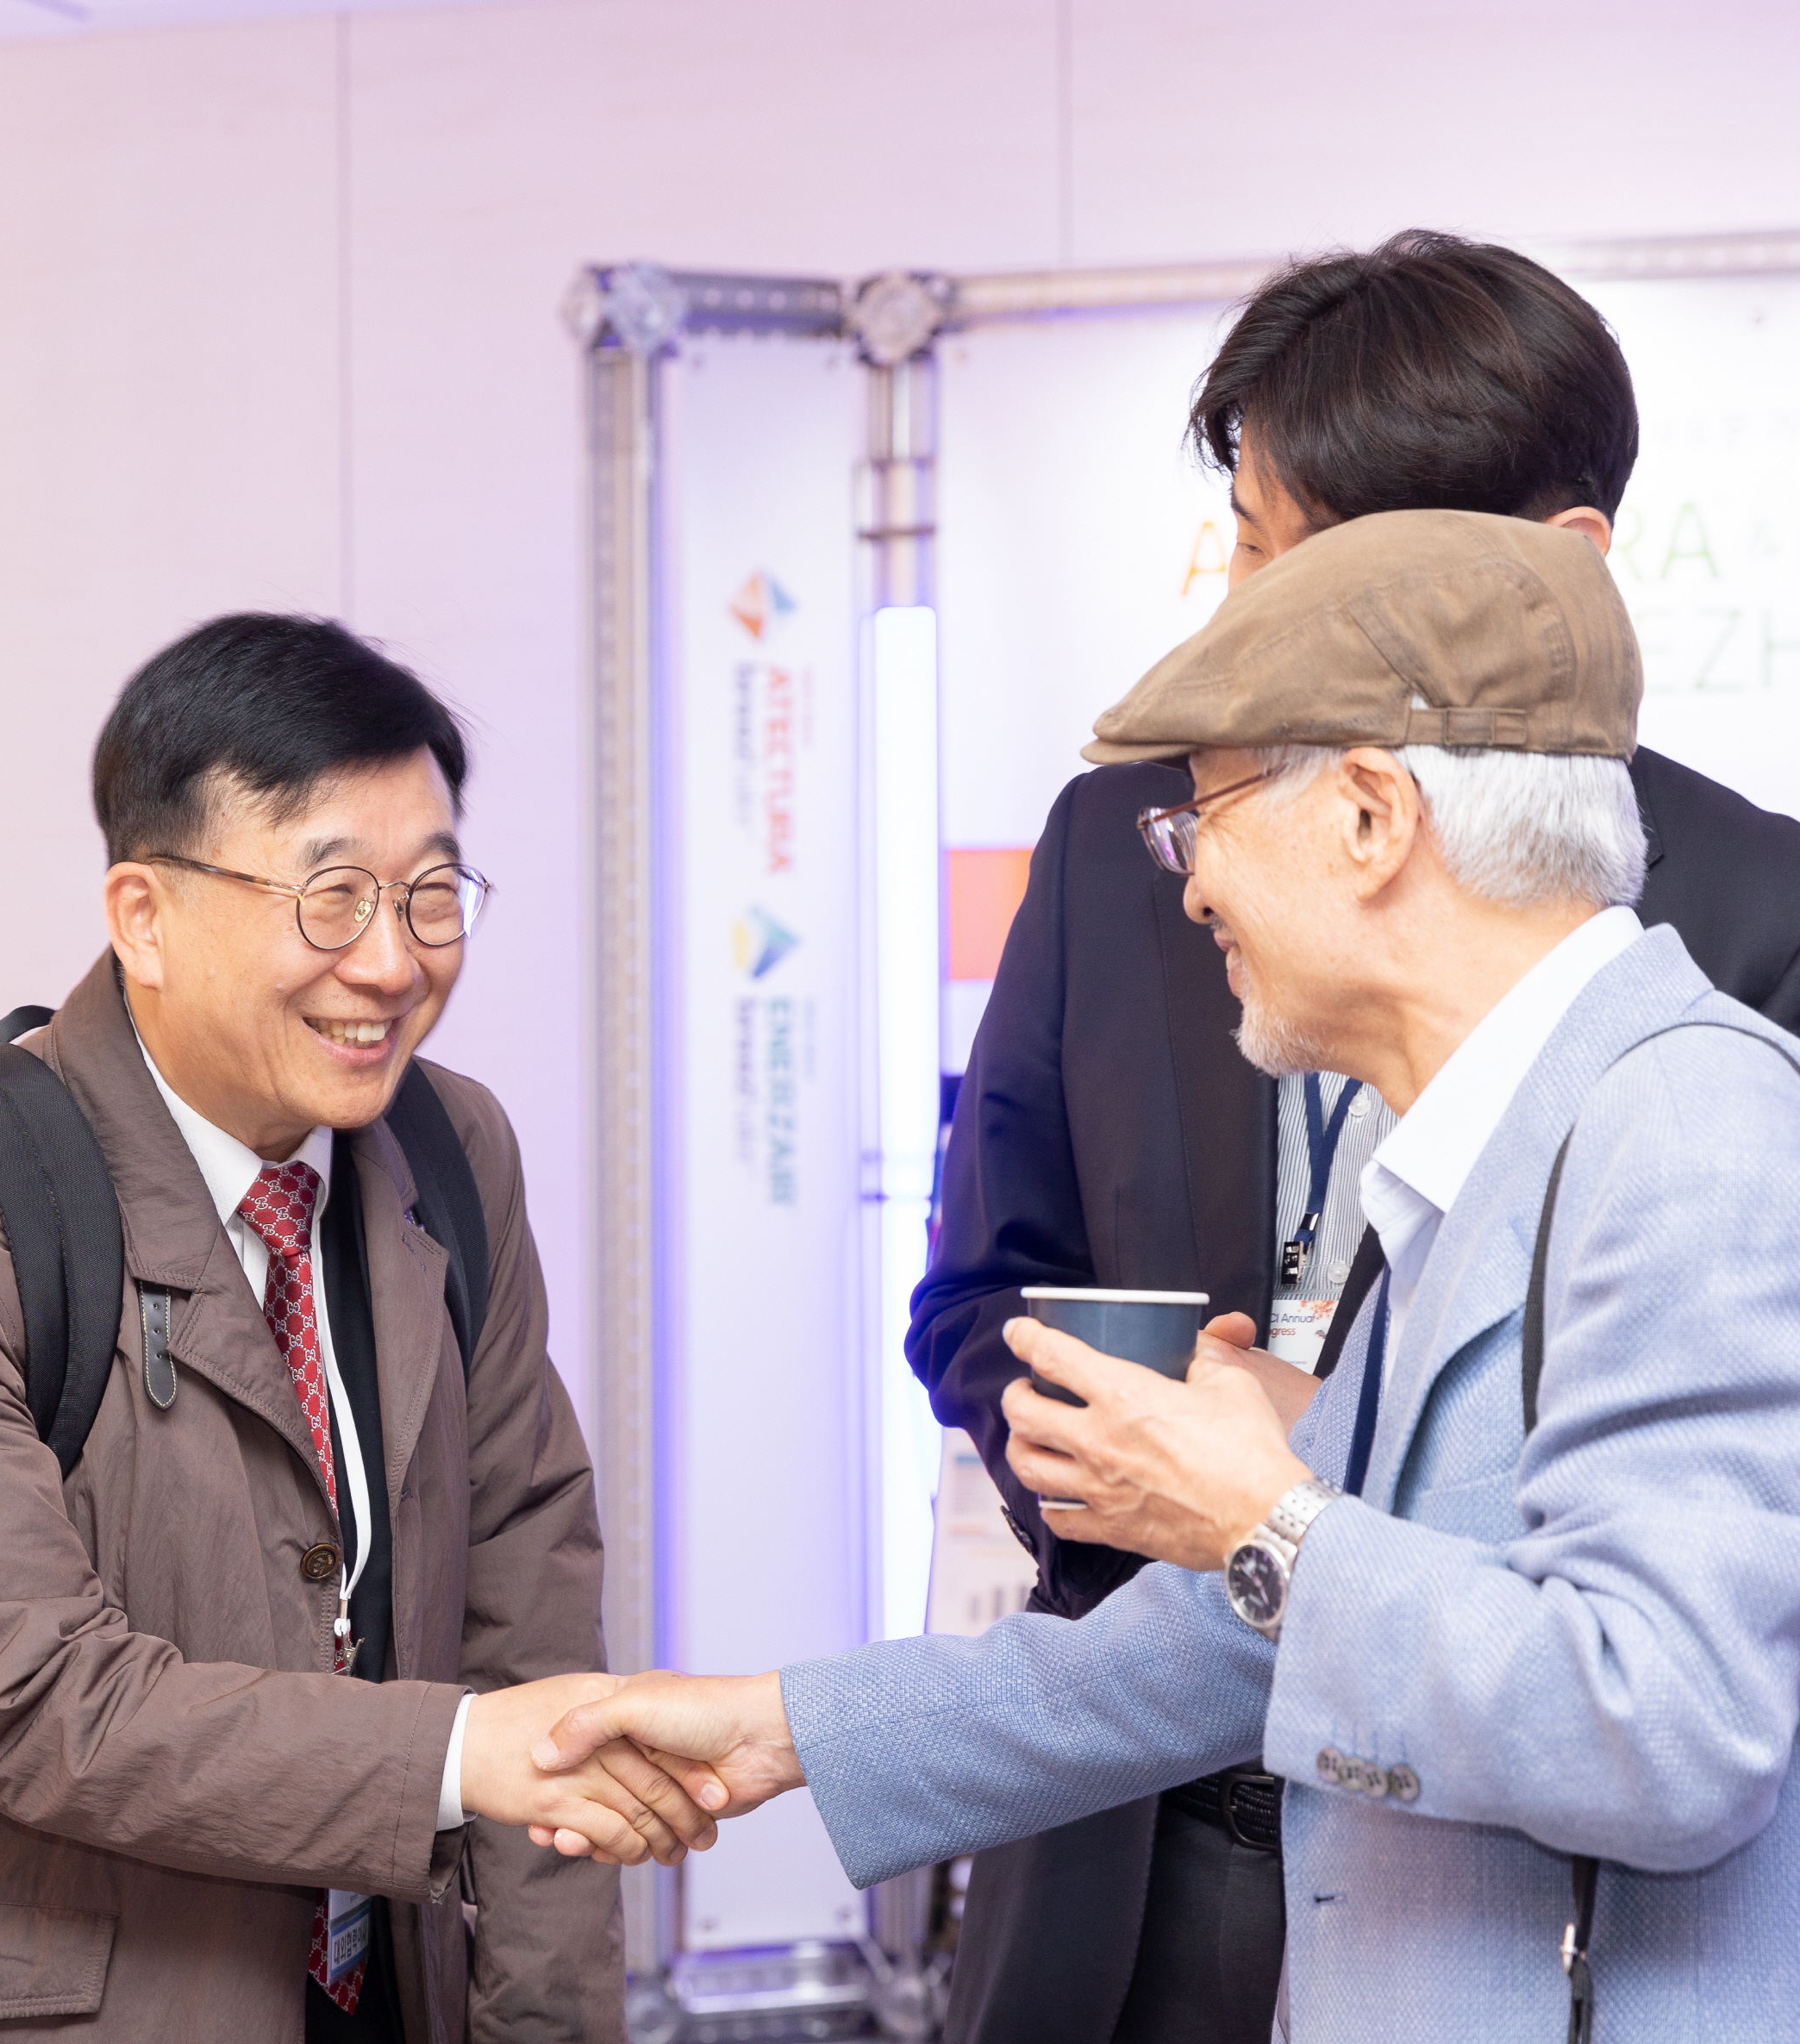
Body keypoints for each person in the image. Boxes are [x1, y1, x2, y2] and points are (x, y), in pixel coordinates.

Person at [534, 508, 1800, 2038]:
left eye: (1204, 817)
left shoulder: (1687, 1123)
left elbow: (1670, 1725)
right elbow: (1231, 1641)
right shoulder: (1488, 1147)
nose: (1190, 887)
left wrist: (1262, 1514)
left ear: (1370, 817)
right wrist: (782, 1729)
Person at [903, 233, 1800, 2044]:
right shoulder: (1124, 850)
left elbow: (1680, 1676)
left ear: (1557, 568)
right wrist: (1119, 1460)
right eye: (1246, 547)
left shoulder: (1723, 990)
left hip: (1505, 1903)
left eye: (1318, 568)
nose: (1249, 622)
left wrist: (1281, 1494)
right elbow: (981, 1291)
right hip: (1132, 1852)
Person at [0, 614, 707, 2042]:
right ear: (143, 914)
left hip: (375, 1984)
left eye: (430, 893)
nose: (390, 962)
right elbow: (32, 1696)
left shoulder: (450, 1153)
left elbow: (528, 1615)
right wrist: (460, 1752)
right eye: (331, 897)